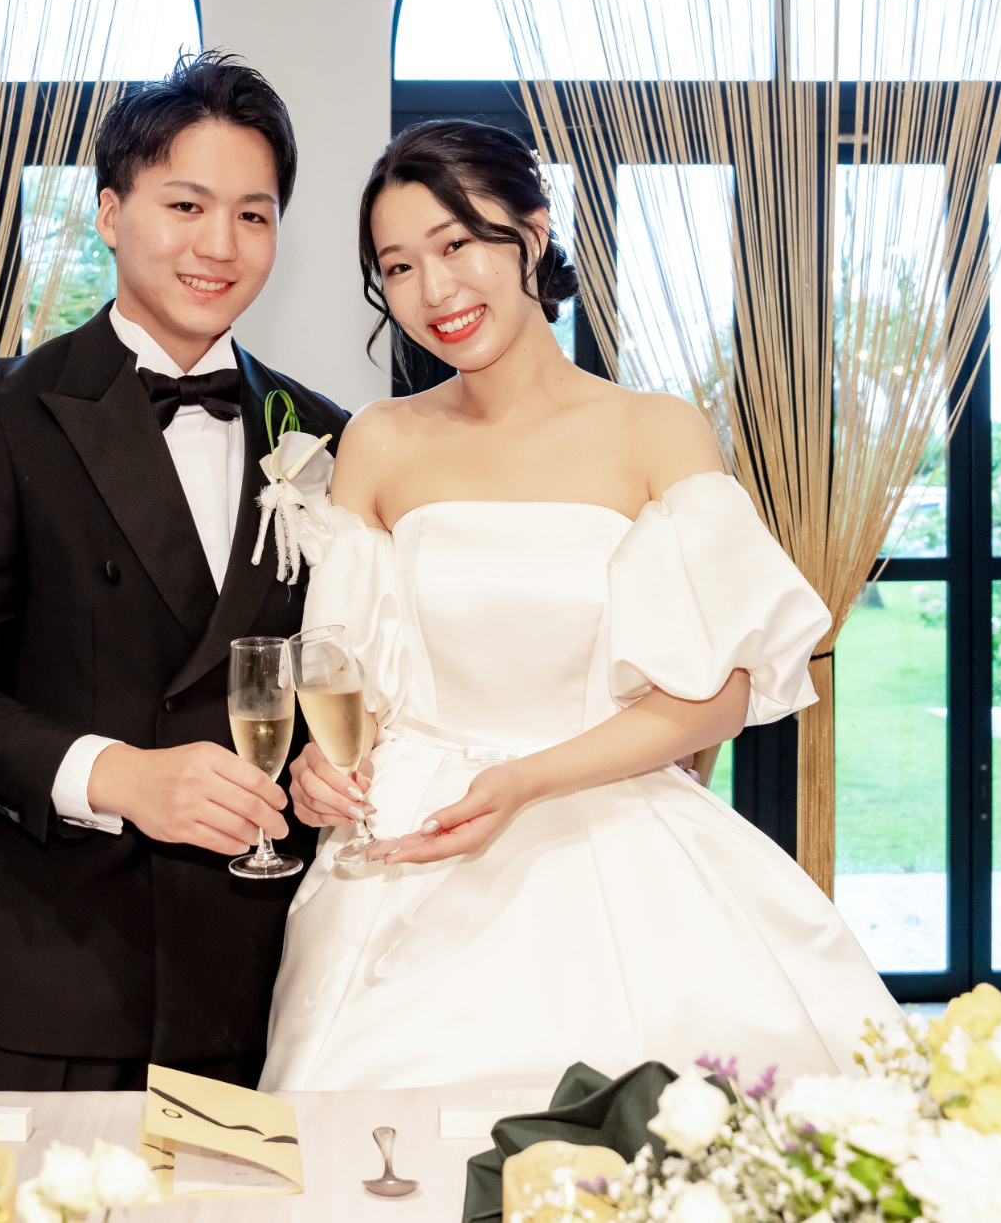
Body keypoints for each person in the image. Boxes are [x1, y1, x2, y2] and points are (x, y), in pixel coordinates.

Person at [259, 119, 901, 1092]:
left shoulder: (654, 431)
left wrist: (524, 781)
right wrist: (324, 766)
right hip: (408, 842)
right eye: (397, 266)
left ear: (532, 229)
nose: (433, 290)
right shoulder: (379, 440)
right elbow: (355, 678)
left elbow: (721, 696)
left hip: (612, 830)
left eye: (455, 243)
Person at [0, 51, 348, 1092]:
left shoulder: (322, 433)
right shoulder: (2, 411)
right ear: (108, 211)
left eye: (254, 214)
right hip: (58, 976)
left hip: (271, 977)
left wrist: (325, 764)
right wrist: (121, 776)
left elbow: (341, 666)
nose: (219, 245)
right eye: (186, 205)